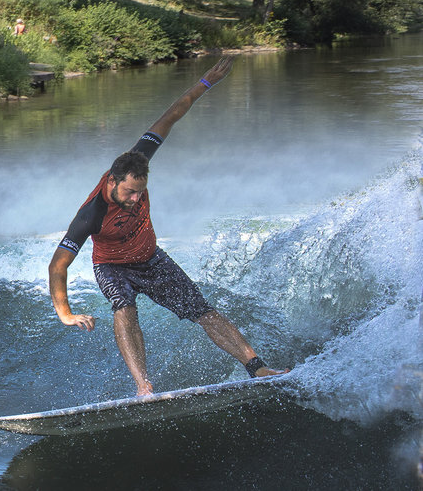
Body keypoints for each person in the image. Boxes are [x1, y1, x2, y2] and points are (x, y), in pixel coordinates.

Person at [48, 59, 283, 396]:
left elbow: (171, 115)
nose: (134, 199)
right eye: (129, 192)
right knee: (124, 307)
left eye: (140, 192)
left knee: (204, 311)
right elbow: (58, 264)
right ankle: (144, 386)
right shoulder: (91, 213)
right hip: (113, 267)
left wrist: (206, 82)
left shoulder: (137, 159)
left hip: (151, 259)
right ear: (112, 181)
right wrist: (66, 313)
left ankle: (257, 368)